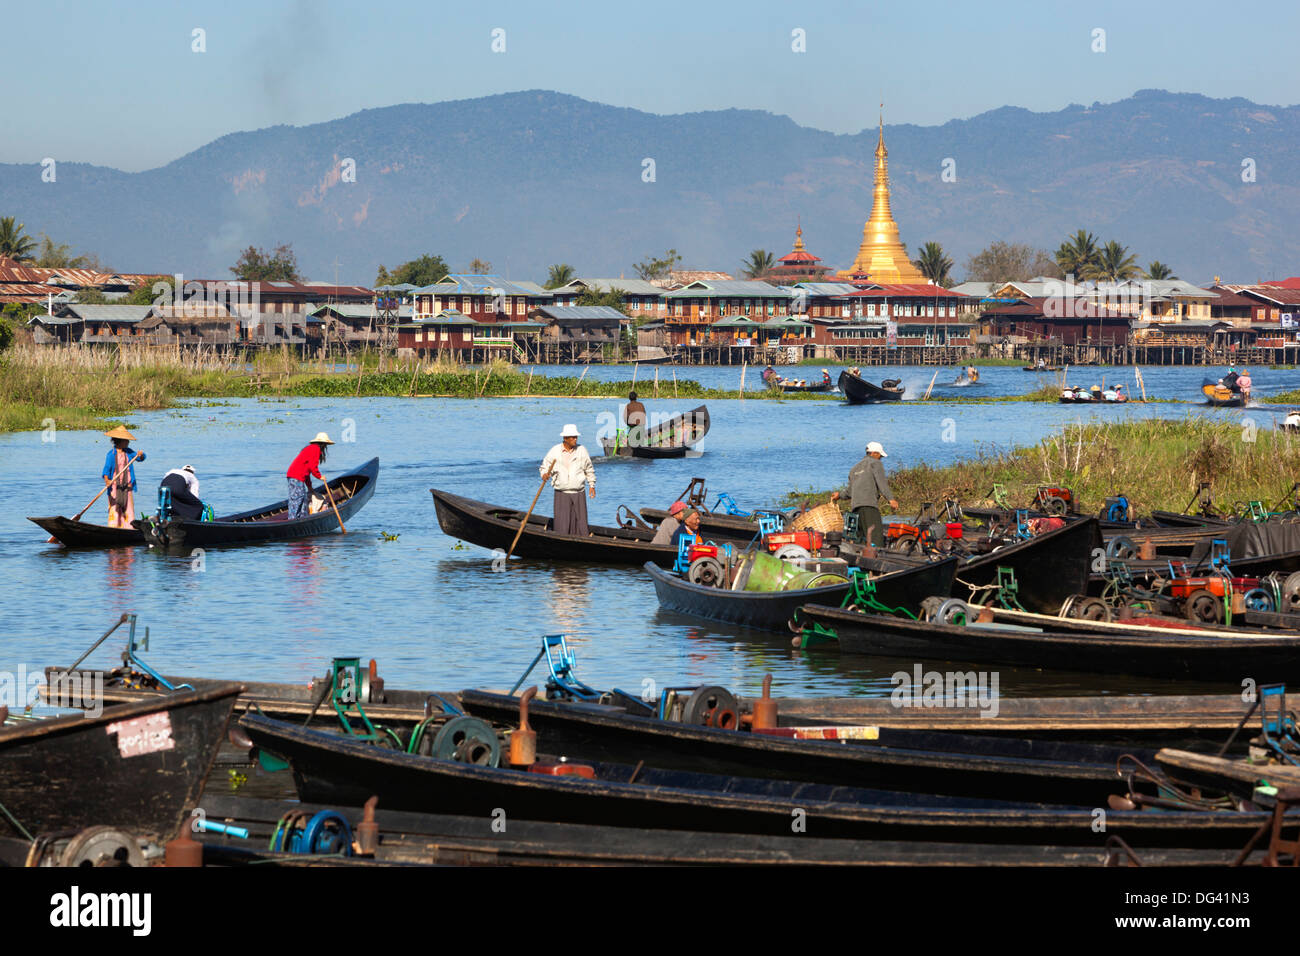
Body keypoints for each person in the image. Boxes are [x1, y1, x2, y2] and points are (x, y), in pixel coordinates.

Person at [541, 424, 595, 536]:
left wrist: (592, 485)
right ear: (565, 438)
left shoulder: (581, 450)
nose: (575, 439)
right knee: (562, 526)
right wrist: (544, 474)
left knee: (581, 525)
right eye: (572, 437)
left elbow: (589, 469)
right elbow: (544, 467)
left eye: (576, 437)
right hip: (562, 493)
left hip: (578, 492)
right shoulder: (555, 451)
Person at [845, 440, 898, 547]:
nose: (881, 458)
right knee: (876, 539)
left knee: (859, 541)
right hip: (869, 508)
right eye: (880, 456)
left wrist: (838, 495)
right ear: (874, 453)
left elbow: (849, 492)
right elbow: (882, 483)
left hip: (855, 510)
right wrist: (891, 499)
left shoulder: (854, 469)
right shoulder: (875, 463)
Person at [102, 426, 146, 529]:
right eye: (126, 440)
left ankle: (129, 528)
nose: (128, 442)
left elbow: (140, 458)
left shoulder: (129, 452)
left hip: (128, 485)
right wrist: (107, 480)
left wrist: (141, 455)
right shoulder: (111, 454)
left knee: (128, 508)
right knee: (115, 508)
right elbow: (106, 470)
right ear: (120, 441)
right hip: (114, 486)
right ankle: (114, 527)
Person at [287, 432, 334, 520]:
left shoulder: (310, 449)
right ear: (323, 444)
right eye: (326, 444)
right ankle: (292, 520)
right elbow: (313, 466)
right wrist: (319, 476)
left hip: (297, 476)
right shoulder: (315, 449)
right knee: (297, 500)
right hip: (296, 476)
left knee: (303, 500)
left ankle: (302, 520)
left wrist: (309, 487)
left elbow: (307, 471)